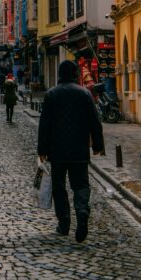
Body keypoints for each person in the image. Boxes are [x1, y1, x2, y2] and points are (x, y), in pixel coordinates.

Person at [37, 60, 105, 243]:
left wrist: (42, 150)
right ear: (75, 74)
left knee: (59, 188)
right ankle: (82, 210)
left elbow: (44, 125)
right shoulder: (84, 94)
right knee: (81, 185)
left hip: (57, 151)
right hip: (79, 149)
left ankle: (64, 223)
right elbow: (95, 121)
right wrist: (98, 145)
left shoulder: (52, 94)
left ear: (59, 74)